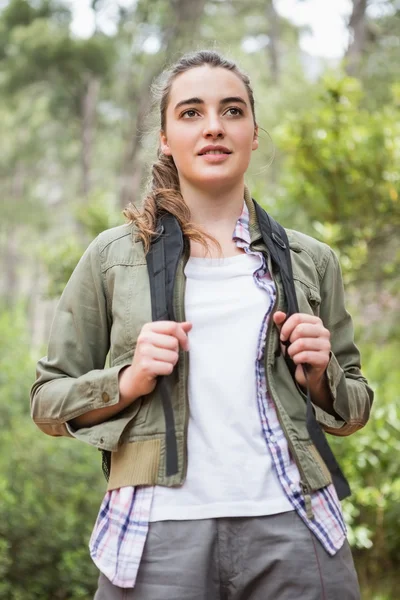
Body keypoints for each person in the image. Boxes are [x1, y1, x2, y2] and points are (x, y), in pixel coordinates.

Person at [31, 50, 373, 600]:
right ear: (165, 136)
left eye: (232, 111)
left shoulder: (311, 261)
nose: (214, 126)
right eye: (191, 112)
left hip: (296, 525)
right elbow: (48, 401)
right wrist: (127, 381)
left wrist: (319, 374)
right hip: (155, 534)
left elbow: (354, 407)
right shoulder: (113, 258)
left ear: (254, 133)